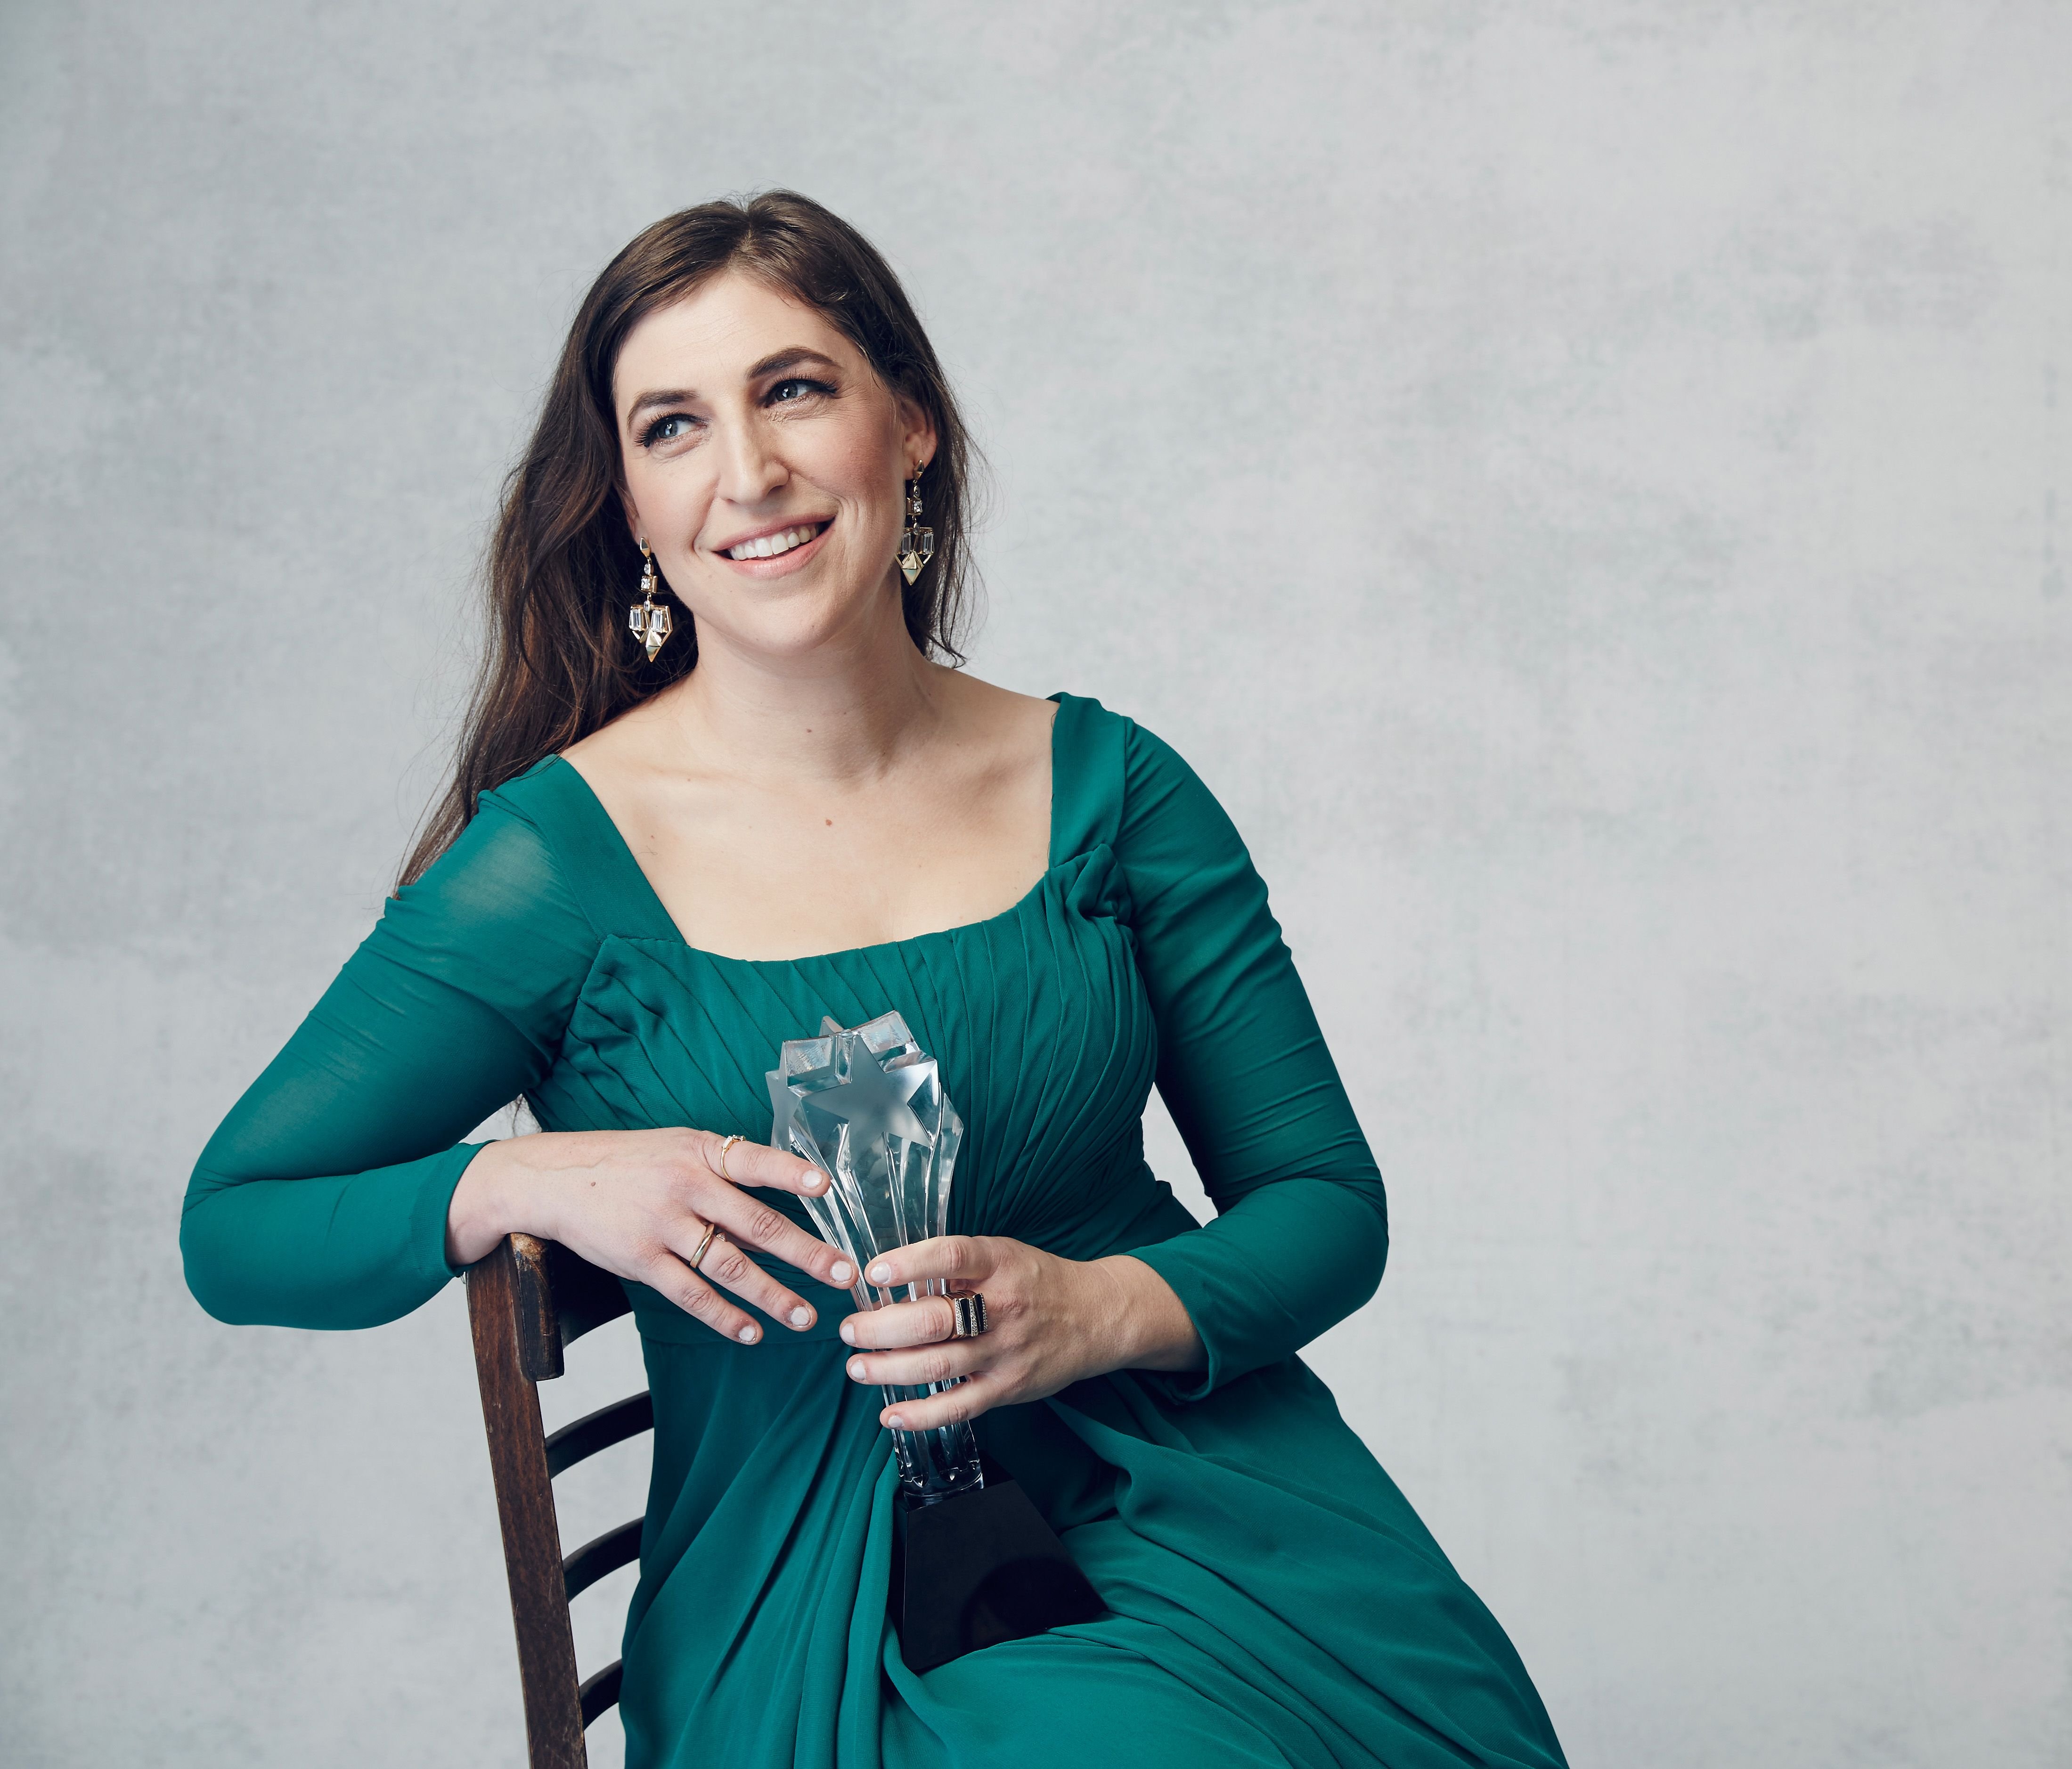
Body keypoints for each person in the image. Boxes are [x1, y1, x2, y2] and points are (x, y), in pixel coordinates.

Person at [179, 190, 1567, 1769]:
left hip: (1211, 1506)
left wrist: (1097, 1305)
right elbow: (234, 1223)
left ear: (908, 423)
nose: (748, 473)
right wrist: (528, 1179)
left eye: (794, 389)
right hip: (824, 1588)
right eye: (674, 426)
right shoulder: (552, 868)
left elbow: (1327, 1199)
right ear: (631, 504)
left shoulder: (1113, 790)